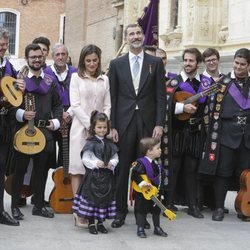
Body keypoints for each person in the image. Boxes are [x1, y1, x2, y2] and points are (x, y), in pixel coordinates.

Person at [108, 23, 166, 228]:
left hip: (147, 124)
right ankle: (120, 212)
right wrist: (112, 126)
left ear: (143, 36)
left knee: (146, 170)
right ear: (126, 38)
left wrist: (159, 123)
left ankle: (143, 214)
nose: (135, 36)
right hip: (123, 124)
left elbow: (161, 97)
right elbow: (113, 97)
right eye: (131, 34)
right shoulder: (116, 64)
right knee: (123, 169)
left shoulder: (156, 63)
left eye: (138, 33)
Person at [10, 43, 63, 221]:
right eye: (33, 57)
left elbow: (58, 105)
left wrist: (55, 122)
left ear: (43, 58)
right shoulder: (19, 80)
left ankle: (39, 205)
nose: (37, 59)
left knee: (41, 171)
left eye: (39, 56)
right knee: (20, 170)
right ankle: (15, 207)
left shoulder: (50, 80)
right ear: (27, 59)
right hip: (24, 131)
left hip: (45, 133)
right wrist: (22, 113)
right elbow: (10, 107)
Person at [199, 48, 250, 222]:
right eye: (236, 63)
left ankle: (243, 208)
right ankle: (219, 207)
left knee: (244, 174)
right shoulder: (223, 83)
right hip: (227, 135)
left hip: (247, 137)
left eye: (242, 65)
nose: (238, 67)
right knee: (223, 173)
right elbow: (210, 109)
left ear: (248, 65)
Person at [163, 48, 213, 218]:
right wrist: (182, 107)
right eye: (185, 60)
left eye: (191, 61)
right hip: (177, 132)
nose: (187, 64)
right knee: (174, 168)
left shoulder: (206, 84)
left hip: (195, 132)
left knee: (192, 170)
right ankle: (168, 204)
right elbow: (165, 107)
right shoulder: (174, 83)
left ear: (198, 63)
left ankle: (193, 205)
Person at [69, 44, 111, 224]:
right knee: (78, 169)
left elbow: (108, 105)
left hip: (100, 132)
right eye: (88, 60)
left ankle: (91, 209)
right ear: (82, 61)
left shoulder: (105, 79)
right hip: (80, 129)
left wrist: (102, 125)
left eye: (95, 60)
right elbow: (75, 104)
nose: (92, 64)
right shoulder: (75, 78)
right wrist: (90, 125)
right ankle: (78, 212)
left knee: (94, 170)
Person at [72, 111, 118, 234]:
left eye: (104, 127)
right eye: (99, 127)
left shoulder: (110, 144)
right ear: (93, 128)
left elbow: (115, 157)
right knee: (92, 200)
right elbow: (85, 158)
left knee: (104, 200)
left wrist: (112, 163)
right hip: (93, 178)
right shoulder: (90, 143)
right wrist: (96, 163)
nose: (102, 130)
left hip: (106, 178)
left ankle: (101, 223)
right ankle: (91, 223)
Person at [0, 28, 25, 226]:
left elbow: (15, 95)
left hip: (5, 126)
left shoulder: (10, 67)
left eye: (5, 44)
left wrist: (20, 88)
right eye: (0, 44)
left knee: (2, 169)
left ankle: (0, 211)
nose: (3, 47)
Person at [44, 43, 77, 168]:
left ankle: (63, 181)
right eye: (57, 54)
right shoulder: (46, 72)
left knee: (66, 153)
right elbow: (46, 97)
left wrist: (69, 113)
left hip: (71, 115)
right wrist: (57, 114)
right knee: (49, 154)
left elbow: (78, 96)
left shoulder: (74, 72)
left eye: (63, 54)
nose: (60, 57)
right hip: (53, 116)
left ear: (67, 56)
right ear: (53, 56)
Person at [131, 137, 168, 238]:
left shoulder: (157, 164)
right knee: (142, 210)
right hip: (143, 193)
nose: (160, 150)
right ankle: (140, 228)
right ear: (149, 151)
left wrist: (161, 193)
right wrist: (142, 183)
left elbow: (160, 179)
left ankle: (157, 227)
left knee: (156, 210)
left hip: (155, 192)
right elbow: (135, 174)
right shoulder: (141, 163)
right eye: (158, 148)